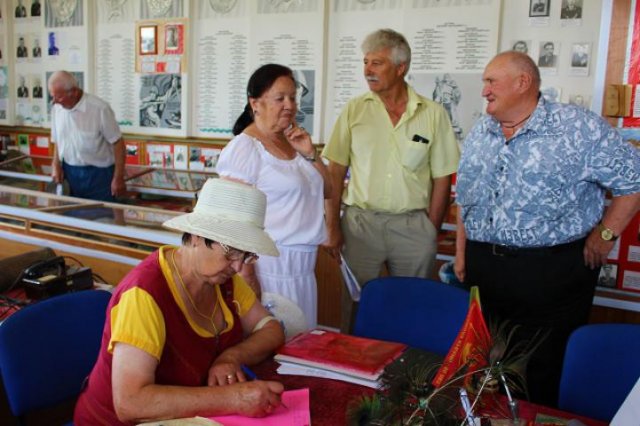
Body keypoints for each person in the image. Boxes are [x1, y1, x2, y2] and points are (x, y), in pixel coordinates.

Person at [454, 51, 640, 407]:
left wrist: (605, 234)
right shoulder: (482, 129)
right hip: (485, 269)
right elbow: (467, 195)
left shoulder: (578, 128)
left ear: (523, 83)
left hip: (550, 273)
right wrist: (463, 252)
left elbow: (634, 180)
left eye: (491, 81)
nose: (485, 90)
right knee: (483, 366)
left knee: (538, 373)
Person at [74, 178, 286, 425]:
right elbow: (131, 403)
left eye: (247, 255)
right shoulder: (144, 294)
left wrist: (232, 357)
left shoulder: (222, 279)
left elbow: (270, 328)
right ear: (197, 236)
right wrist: (233, 398)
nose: (239, 266)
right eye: (231, 252)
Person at [322, 29, 459, 333]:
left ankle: (408, 375)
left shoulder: (433, 114)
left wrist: (430, 229)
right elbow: (334, 172)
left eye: (377, 63)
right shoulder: (354, 110)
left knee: (412, 309)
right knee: (357, 309)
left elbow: (442, 179)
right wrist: (332, 227)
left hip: (413, 228)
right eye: (366, 62)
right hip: (360, 225)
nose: (368, 71)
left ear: (401, 68)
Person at [216, 64, 331, 329]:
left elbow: (328, 191)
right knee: (275, 350)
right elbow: (233, 222)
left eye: (293, 97)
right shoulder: (245, 148)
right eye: (280, 98)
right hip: (269, 268)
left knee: (301, 348)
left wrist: (311, 154)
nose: (289, 105)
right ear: (255, 103)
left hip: (303, 269)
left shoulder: (294, 141)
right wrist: (247, 276)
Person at [48, 71, 126, 201]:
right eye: (52, 96)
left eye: (59, 97)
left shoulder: (100, 109)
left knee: (103, 218)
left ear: (74, 92)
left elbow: (118, 143)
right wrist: (55, 164)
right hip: (70, 173)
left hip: (99, 175)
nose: (54, 102)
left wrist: (118, 177)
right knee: (72, 217)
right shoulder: (57, 109)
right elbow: (57, 140)